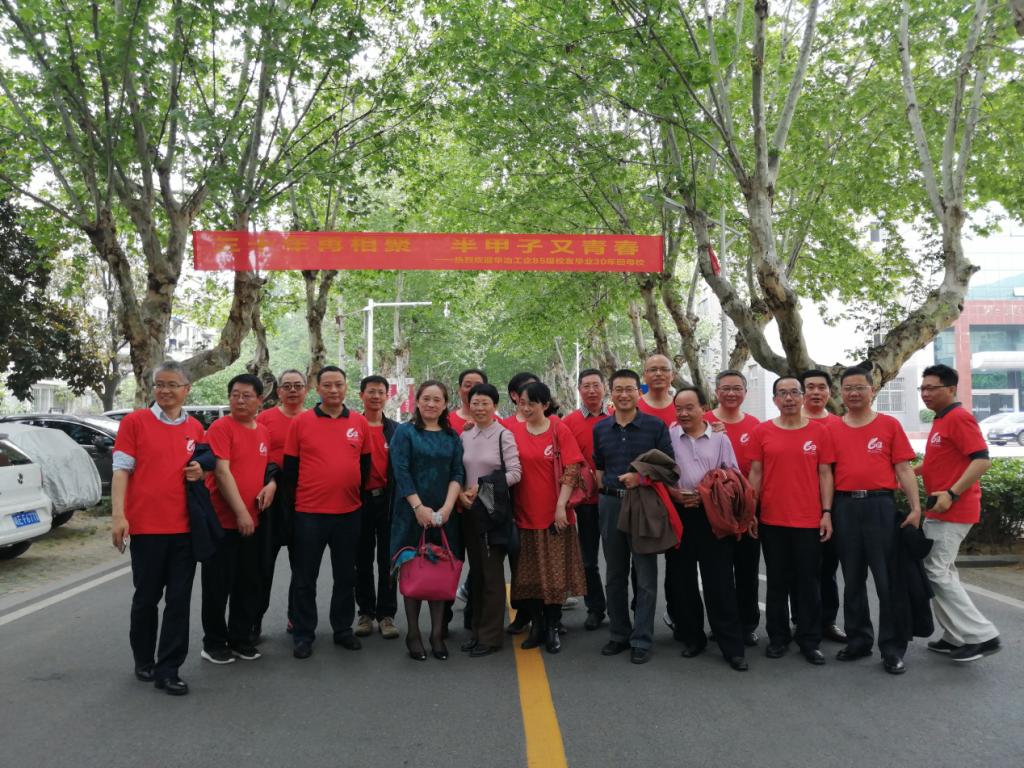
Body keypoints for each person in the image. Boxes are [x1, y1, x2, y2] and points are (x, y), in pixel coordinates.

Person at [111, 360, 205, 696]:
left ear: (186, 389)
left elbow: (201, 468)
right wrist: (118, 516)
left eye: (172, 385)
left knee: (179, 601)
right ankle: (143, 659)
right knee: (147, 598)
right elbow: (121, 470)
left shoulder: (196, 428)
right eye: (159, 384)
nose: (164, 391)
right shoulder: (135, 422)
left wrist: (200, 471)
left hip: (184, 530)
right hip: (147, 529)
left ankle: (169, 669)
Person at [828, 366, 921, 674]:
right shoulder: (832, 428)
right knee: (852, 579)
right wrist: (826, 512)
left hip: (880, 506)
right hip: (845, 507)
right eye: (848, 388)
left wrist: (915, 507)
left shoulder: (889, 425)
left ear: (872, 390)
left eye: (860, 387)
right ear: (841, 393)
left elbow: (904, 468)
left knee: (887, 581)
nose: (854, 393)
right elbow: (826, 473)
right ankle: (858, 640)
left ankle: (892, 648)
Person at [284, 365, 371, 660]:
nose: (334, 390)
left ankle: (342, 629)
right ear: (317, 388)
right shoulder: (301, 422)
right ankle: (303, 633)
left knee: (346, 575)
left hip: (349, 513)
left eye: (339, 384)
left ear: (346, 387)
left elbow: (365, 467)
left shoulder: (359, 422)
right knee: (304, 577)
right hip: (309, 513)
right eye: (328, 385)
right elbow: (291, 470)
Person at [748, 376, 835, 665]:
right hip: (772, 520)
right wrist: (751, 512)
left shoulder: (820, 432)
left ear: (802, 397)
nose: (789, 398)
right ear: (774, 399)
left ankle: (809, 640)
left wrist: (826, 512)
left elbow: (825, 474)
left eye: (794, 392)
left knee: (809, 583)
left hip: (809, 521)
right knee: (777, 582)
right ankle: (778, 637)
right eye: (782, 393)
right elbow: (756, 473)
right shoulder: (762, 431)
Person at [917, 363, 1000, 662]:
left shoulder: (958, 418)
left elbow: (981, 460)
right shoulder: (941, 419)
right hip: (939, 509)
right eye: (922, 388)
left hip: (953, 509)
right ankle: (955, 636)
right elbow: (939, 462)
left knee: (935, 571)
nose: (925, 393)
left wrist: (952, 493)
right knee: (941, 571)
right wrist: (907, 473)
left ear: (951, 389)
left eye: (931, 388)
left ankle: (982, 636)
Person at [592, 369, 674, 664]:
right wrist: (605, 492)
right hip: (610, 504)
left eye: (629, 389)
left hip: (643, 503)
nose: (624, 395)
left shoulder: (655, 426)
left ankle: (642, 638)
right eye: (618, 389)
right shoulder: (600, 428)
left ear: (639, 393)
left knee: (646, 576)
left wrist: (640, 478)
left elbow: (669, 467)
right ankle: (619, 634)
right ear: (610, 393)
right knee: (614, 574)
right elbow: (599, 467)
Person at [666, 386, 750, 671]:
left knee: (720, 582)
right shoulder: (669, 436)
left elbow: (733, 475)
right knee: (683, 581)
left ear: (704, 408)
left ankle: (732, 647)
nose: (683, 413)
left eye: (689, 407)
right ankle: (693, 638)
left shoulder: (720, 439)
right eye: (679, 408)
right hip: (680, 515)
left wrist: (706, 494)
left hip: (712, 515)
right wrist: (674, 494)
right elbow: (660, 473)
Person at [200, 374, 277, 664]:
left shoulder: (263, 432)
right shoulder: (221, 428)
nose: (240, 400)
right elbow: (221, 472)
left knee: (248, 583)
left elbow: (263, 468)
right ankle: (213, 643)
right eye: (235, 395)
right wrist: (241, 512)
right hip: (223, 522)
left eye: (246, 396)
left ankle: (240, 638)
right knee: (217, 585)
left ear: (260, 400)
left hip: (253, 523)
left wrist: (271, 485)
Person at [507, 381, 587, 654]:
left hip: (555, 517)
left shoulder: (557, 428)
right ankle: (537, 625)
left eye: (532, 403)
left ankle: (553, 626)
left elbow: (572, 468)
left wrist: (561, 505)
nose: (526, 408)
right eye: (522, 403)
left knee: (554, 576)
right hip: (523, 515)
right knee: (530, 577)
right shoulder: (513, 431)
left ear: (545, 404)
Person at [389, 380, 465, 661]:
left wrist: (447, 508)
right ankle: (413, 633)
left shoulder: (452, 436)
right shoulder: (405, 432)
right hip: (410, 512)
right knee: (414, 570)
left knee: (439, 570)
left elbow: (457, 473)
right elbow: (401, 470)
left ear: (445, 404)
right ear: (418, 401)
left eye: (437, 400)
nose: (431, 404)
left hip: (445, 514)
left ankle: (436, 633)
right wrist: (418, 507)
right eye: (426, 399)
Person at [458, 382, 521, 657]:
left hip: (492, 513)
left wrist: (481, 487)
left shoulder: (503, 435)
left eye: (485, 403)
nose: (480, 407)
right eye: (475, 403)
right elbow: (460, 470)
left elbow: (515, 473)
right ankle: (476, 631)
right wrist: (462, 492)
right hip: (469, 511)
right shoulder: (465, 435)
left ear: (495, 406)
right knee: (477, 574)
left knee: (492, 576)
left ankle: (491, 637)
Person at [703, 369, 762, 646]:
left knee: (747, 570)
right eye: (725, 388)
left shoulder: (756, 426)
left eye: (737, 388)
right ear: (716, 392)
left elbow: (759, 471)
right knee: (718, 573)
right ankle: (721, 625)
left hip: (747, 509)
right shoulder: (703, 421)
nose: (731, 393)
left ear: (745, 393)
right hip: (713, 509)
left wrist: (752, 509)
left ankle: (748, 624)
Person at [254, 369, 308, 640]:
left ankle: (296, 618)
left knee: (302, 567)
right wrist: (272, 480)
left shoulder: (313, 420)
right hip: (270, 499)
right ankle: (254, 621)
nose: (292, 390)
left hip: (304, 500)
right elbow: (256, 457)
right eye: (287, 386)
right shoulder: (264, 419)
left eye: (298, 385)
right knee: (263, 565)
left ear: (306, 390)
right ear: (278, 392)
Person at [799, 369, 846, 644]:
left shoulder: (839, 425)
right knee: (800, 570)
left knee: (827, 569)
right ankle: (801, 621)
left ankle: (827, 621)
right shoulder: (789, 422)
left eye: (821, 387)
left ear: (830, 391)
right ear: (802, 392)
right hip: (795, 509)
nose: (816, 392)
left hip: (832, 508)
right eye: (810, 387)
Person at [561, 369, 609, 631]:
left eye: (596, 385)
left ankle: (621, 610)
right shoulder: (569, 422)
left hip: (614, 499)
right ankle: (595, 608)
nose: (591, 390)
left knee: (618, 561)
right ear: (579, 390)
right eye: (586, 386)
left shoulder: (616, 417)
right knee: (588, 560)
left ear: (604, 388)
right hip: (586, 503)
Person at [354, 375, 400, 640]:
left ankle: (386, 614)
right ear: (361, 395)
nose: (375, 396)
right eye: (371, 392)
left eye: (380, 392)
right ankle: (365, 613)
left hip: (389, 502)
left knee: (388, 560)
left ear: (387, 396)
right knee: (361, 560)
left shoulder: (396, 430)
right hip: (359, 502)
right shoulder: (352, 426)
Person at [638, 354, 676, 427]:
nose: (658, 373)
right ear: (644, 376)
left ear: (672, 375)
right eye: (653, 370)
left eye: (664, 369)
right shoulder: (633, 408)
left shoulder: (682, 408)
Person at [448, 369, 487, 435]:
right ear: (459, 390)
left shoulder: (498, 424)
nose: (472, 390)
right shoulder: (445, 422)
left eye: (478, 386)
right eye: (467, 385)